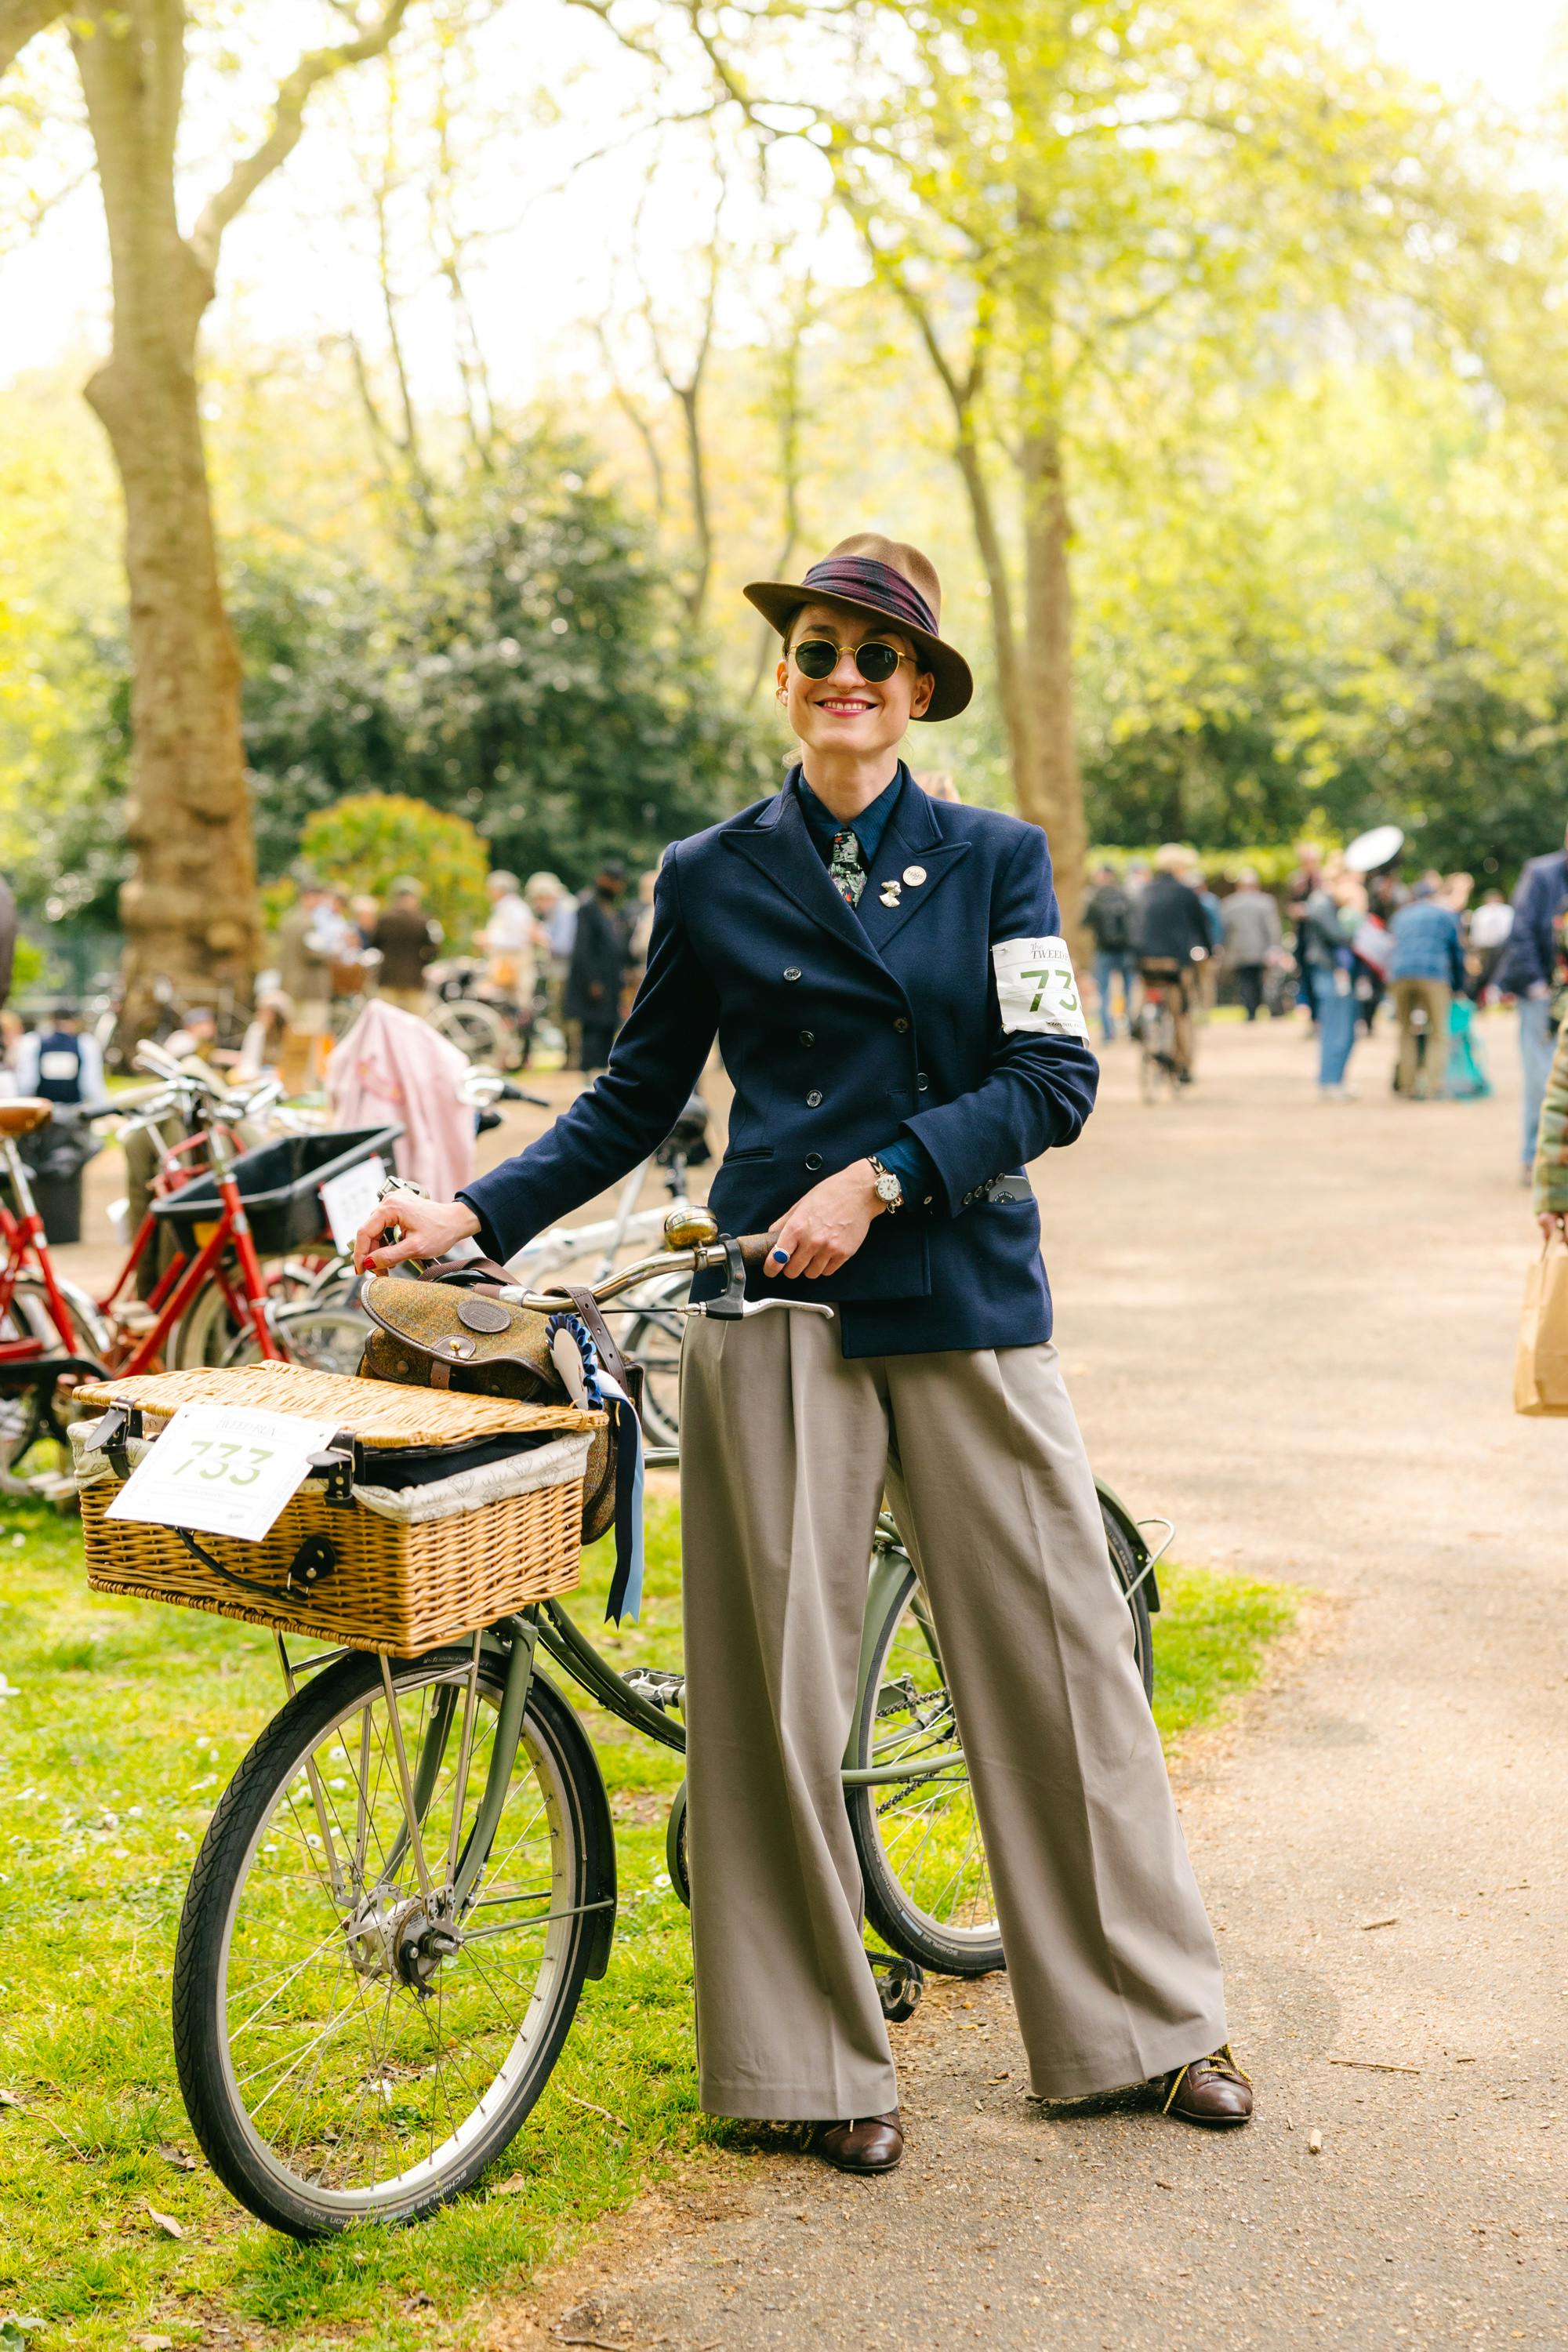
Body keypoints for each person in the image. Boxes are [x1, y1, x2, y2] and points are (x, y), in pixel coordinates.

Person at [354, 529, 1248, 2168]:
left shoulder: (998, 858)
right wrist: (470, 1215)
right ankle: (806, 2068)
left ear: (918, 694)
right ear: (787, 678)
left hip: (960, 1287)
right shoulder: (707, 871)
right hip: (770, 1301)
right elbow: (637, 1096)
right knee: (769, 1693)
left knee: (1059, 1666)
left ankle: (1141, 2026)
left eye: (877, 659)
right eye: (818, 653)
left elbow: (1054, 1077)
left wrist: (888, 1169)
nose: (846, 679)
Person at [1497, 826, 1568, 1182]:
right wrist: (1536, 984)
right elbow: (1522, 929)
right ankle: (1534, 1159)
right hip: (1542, 992)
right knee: (1543, 1080)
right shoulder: (1542, 873)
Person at [1134, 845, 1210, 1082]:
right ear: (1179, 867)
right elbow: (1202, 927)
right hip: (1174, 963)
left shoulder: (1145, 890)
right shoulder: (1186, 893)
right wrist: (1209, 950)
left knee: (1146, 990)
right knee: (1181, 1010)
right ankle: (1184, 1063)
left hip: (1144, 960)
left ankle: (1138, 1023)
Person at [1388, 880, 1465, 1102]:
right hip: (1433, 974)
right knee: (1438, 1031)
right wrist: (1459, 986)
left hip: (1401, 974)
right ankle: (1433, 1087)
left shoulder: (1401, 915)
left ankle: (1408, 1085)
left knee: (1405, 1030)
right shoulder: (1444, 915)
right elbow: (1456, 952)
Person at [1300, 859, 1367, 1098]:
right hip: (1329, 971)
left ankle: (1337, 1079)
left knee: (1347, 1028)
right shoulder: (1320, 901)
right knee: (1335, 1027)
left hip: (1342, 973)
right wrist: (1357, 909)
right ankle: (1329, 1082)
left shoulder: (1332, 903)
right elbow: (1337, 935)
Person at [565, 858, 630, 1072]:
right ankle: (589, 1071)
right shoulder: (589, 908)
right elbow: (583, 949)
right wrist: (592, 980)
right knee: (593, 1028)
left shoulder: (611, 911)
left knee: (608, 1028)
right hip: (595, 983)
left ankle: (602, 1070)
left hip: (611, 981)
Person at [479, 870, 538, 1062]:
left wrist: (490, 940)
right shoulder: (507, 908)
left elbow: (518, 939)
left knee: (516, 1011)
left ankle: (521, 1056)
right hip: (507, 969)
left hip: (514, 970)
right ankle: (510, 1055)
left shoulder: (515, 909)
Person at [1082, 862, 1136, 1043]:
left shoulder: (1095, 897)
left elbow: (1085, 922)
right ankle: (1130, 1030)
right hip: (1126, 951)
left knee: (1104, 992)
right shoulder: (1125, 895)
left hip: (1104, 951)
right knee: (1128, 991)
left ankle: (1107, 1033)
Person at [371, 878, 441, 1017]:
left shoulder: (385, 919)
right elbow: (433, 949)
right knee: (416, 1020)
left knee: (386, 1019)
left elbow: (375, 943)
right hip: (414, 978)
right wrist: (422, 962)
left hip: (388, 976)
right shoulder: (424, 921)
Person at [1220, 869, 1282, 1019]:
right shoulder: (1265, 902)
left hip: (1239, 950)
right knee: (1260, 980)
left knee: (1245, 981)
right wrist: (1274, 946)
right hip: (1261, 949)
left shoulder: (1229, 904)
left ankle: (1251, 1011)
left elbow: (1224, 929)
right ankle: (1259, 1007)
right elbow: (1273, 927)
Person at [15, 1005, 105, 1105]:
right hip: (74, 1108)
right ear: (75, 1021)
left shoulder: (33, 1041)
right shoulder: (86, 1043)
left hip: (43, 1108)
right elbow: (91, 1084)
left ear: (51, 1020)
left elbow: (27, 1083)